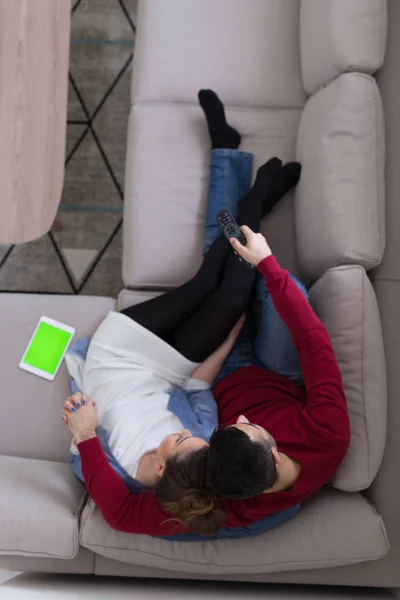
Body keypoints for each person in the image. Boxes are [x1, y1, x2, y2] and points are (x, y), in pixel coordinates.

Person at [63, 90, 350, 537]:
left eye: (227, 432)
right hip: (280, 372)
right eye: (245, 428)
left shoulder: (214, 490)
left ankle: (230, 159)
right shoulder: (327, 437)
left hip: (214, 370)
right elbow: (314, 341)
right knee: (275, 285)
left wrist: (85, 436)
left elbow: (122, 514)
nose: (234, 419)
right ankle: (255, 212)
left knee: (221, 279)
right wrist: (268, 266)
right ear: (274, 454)